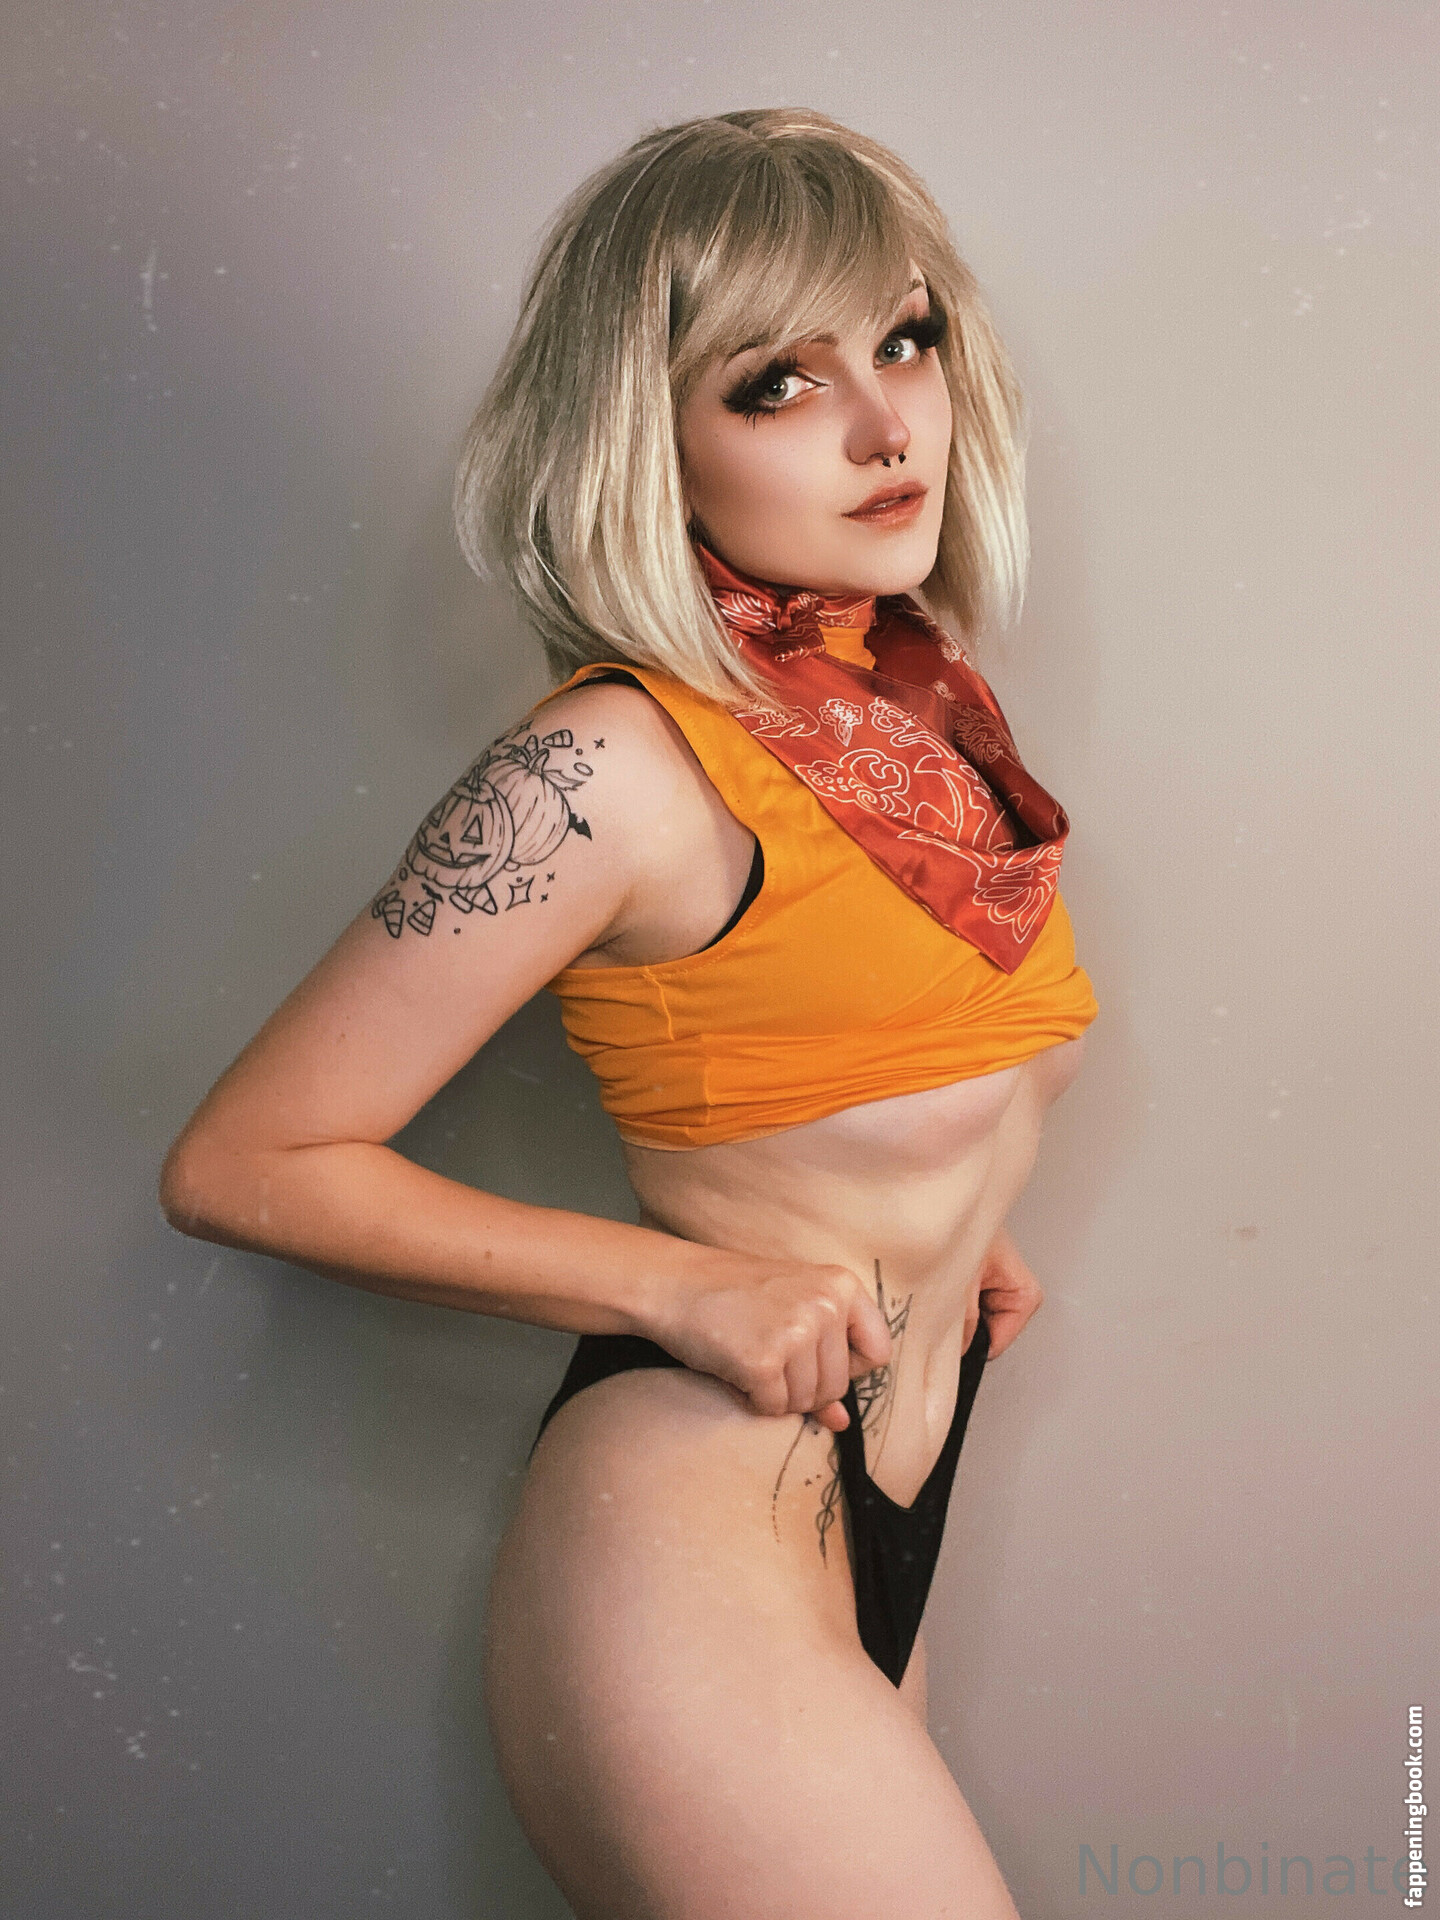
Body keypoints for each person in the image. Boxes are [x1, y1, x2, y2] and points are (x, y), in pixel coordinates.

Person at [161, 107, 1098, 1920]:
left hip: (881, 1491)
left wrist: (961, 1217)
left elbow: (866, 1049)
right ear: (643, 437)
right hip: (692, 1537)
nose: (886, 424)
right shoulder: (614, 765)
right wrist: (686, 1283)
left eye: (905, 341)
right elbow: (244, 1163)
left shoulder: (912, 709)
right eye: (778, 382)